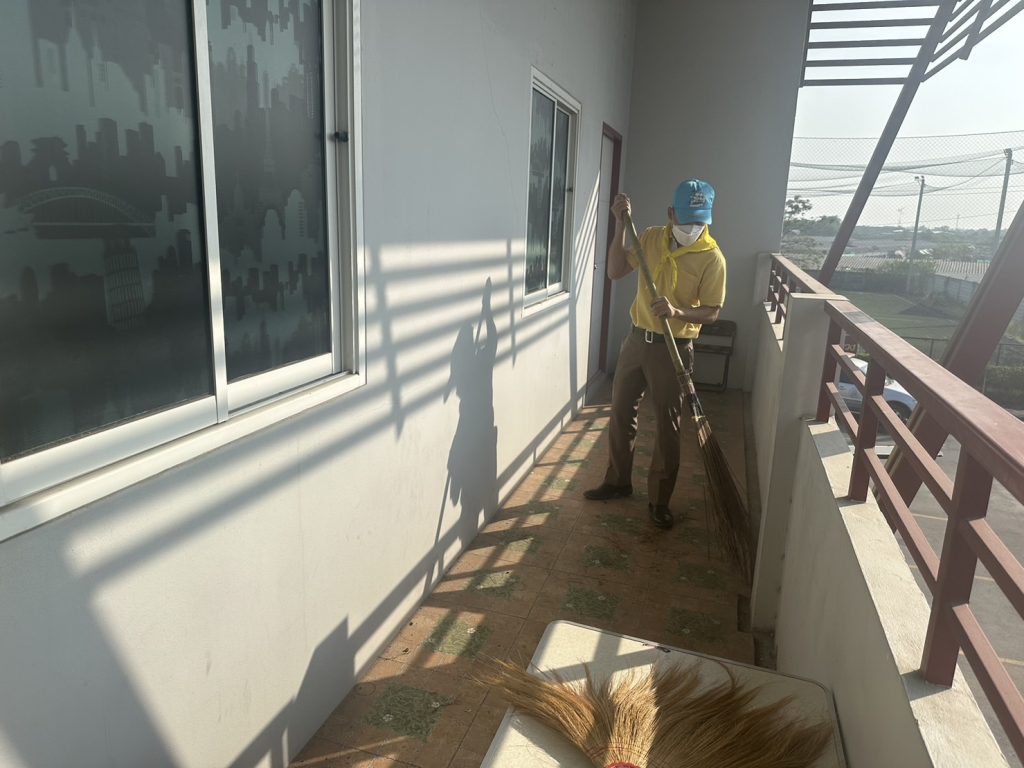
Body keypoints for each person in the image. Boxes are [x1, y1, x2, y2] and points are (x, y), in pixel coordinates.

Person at [583, 179, 726, 529]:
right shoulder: (649, 238)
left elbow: (712, 312)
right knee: (620, 413)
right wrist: (620, 224)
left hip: (673, 348)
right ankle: (618, 481)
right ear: (671, 213)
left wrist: (678, 312)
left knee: (666, 426)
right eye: (687, 219)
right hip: (636, 342)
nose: (693, 227)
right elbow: (615, 271)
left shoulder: (712, 257)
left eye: (700, 221)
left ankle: (659, 500)